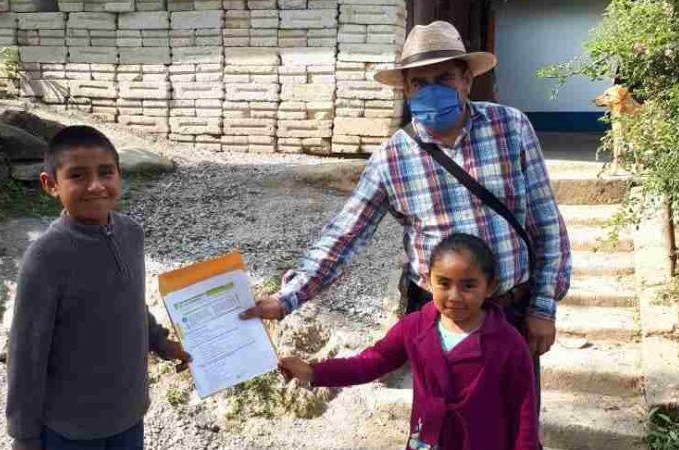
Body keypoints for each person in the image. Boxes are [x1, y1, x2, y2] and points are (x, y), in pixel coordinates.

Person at [243, 21, 570, 359]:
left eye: (443, 78)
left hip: (512, 312)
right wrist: (288, 297)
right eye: (419, 83)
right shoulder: (392, 158)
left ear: (466, 80)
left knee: (516, 411)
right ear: (406, 91)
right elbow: (345, 234)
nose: (431, 91)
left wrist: (543, 307)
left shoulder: (511, 128)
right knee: (441, 411)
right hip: (441, 319)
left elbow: (545, 222)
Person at [6, 126, 190, 450]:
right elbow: (27, 353)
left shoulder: (131, 234)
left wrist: (161, 342)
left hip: (128, 415)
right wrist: (24, 436)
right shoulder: (47, 256)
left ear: (119, 174)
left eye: (106, 172)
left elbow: (131, 302)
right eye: (77, 176)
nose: (95, 186)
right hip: (69, 428)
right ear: (51, 185)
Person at [279, 234, 538, 450]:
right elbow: (369, 363)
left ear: (490, 287)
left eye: (469, 286)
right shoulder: (414, 327)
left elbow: (524, 408)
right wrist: (313, 371)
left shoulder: (507, 342)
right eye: (444, 283)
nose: (455, 296)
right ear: (427, 282)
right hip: (428, 440)